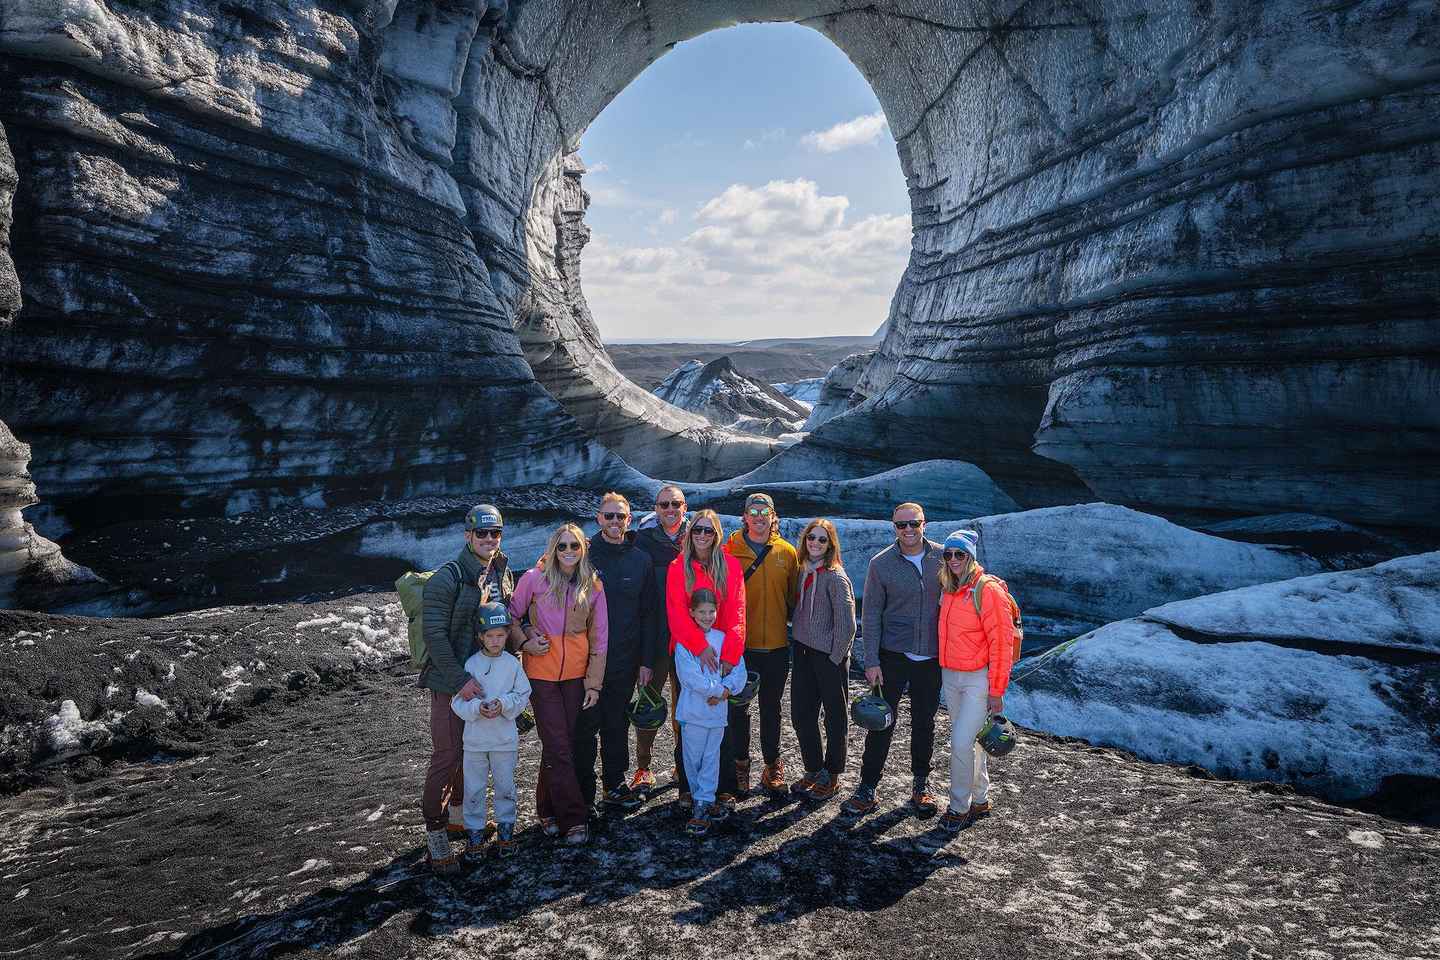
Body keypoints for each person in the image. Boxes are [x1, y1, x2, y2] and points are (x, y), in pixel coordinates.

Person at [419, 504, 518, 874]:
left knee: (466, 752)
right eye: (482, 533)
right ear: (467, 536)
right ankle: (435, 835)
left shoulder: (500, 570)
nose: (489, 539)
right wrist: (461, 681)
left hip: (484, 682)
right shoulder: (449, 577)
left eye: (495, 533)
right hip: (451, 683)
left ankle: (459, 818)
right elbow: (435, 637)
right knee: (446, 754)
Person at [842, 502, 945, 819]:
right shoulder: (882, 563)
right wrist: (871, 661)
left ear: (924, 523)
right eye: (902, 525)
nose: (909, 530)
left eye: (914, 523)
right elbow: (870, 614)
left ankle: (921, 786)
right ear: (894, 527)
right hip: (893, 655)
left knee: (924, 723)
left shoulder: (944, 557)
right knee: (880, 721)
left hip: (932, 656)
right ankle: (867, 788)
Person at [509, 524, 608, 845]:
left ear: (583, 550)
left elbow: (600, 639)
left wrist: (593, 684)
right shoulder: (533, 580)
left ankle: (546, 808)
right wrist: (524, 641)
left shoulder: (593, 586)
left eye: (574, 546)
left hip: (576, 678)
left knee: (559, 744)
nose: (568, 552)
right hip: (541, 674)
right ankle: (574, 819)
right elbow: (510, 616)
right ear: (553, 549)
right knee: (559, 746)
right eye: (562, 546)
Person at [577, 492, 661, 815]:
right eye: (608, 516)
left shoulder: (640, 560)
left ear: (629, 520)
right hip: (585, 662)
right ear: (599, 518)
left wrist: (646, 661)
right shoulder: (582, 554)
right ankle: (584, 797)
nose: (614, 522)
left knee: (616, 724)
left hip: (625, 659)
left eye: (620, 517)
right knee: (585, 728)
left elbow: (649, 613)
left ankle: (614, 784)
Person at [665, 508, 746, 809]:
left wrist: (730, 654)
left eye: (708, 530)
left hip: (723, 649)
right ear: (690, 533)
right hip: (690, 650)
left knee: (723, 721)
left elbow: (737, 611)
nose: (701, 535)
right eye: (697, 530)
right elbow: (676, 612)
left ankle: (723, 785)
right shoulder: (677, 567)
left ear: (716, 534)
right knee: (688, 719)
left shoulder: (731, 566)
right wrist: (700, 647)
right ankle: (688, 786)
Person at [936, 529, 1015, 833]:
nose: (953, 559)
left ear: (970, 556)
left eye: (960, 554)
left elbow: (1001, 644)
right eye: (949, 554)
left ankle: (958, 807)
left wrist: (997, 691)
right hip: (951, 675)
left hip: (977, 680)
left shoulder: (987, 590)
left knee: (959, 743)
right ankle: (980, 798)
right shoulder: (948, 587)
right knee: (971, 742)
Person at [722, 492, 799, 795]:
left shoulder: (787, 553)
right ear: (744, 517)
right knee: (739, 709)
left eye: (763, 511)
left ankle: (772, 765)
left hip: (777, 646)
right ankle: (740, 766)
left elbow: (794, 599)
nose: (757, 516)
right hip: (742, 648)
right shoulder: (730, 551)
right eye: (752, 511)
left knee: (772, 708)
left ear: (772, 516)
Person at [451, 602, 531, 858]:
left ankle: (506, 833)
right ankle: (474, 836)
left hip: (504, 741)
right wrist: (476, 708)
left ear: (508, 635)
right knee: (474, 789)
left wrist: (504, 704)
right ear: (480, 637)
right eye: (490, 636)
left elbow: (522, 694)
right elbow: (457, 701)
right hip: (475, 742)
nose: (496, 641)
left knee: (505, 787)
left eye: (501, 635)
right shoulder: (471, 664)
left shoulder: (512, 665)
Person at [787, 518, 856, 802]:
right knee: (802, 714)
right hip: (802, 651)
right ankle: (813, 768)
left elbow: (848, 624)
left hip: (828, 656)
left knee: (834, 717)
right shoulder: (803, 571)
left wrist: (835, 657)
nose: (815, 543)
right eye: (811, 538)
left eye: (821, 539)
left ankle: (832, 774)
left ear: (830, 545)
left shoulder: (836, 577)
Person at [674, 588, 750, 836]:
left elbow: (739, 671)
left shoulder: (723, 637)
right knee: (693, 759)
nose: (707, 616)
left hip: (717, 714)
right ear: (691, 613)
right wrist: (715, 691)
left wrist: (726, 690)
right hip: (693, 713)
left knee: (711, 758)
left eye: (711, 611)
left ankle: (704, 802)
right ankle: (698, 796)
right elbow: (689, 677)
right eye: (701, 612)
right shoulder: (684, 642)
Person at [629, 484, 688, 798]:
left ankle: (682, 764)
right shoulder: (642, 540)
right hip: (653, 636)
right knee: (648, 703)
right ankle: (643, 766)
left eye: (675, 504)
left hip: (687, 639)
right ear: (656, 507)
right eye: (664, 504)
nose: (670, 509)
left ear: (684, 506)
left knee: (686, 705)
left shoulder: (697, 538)